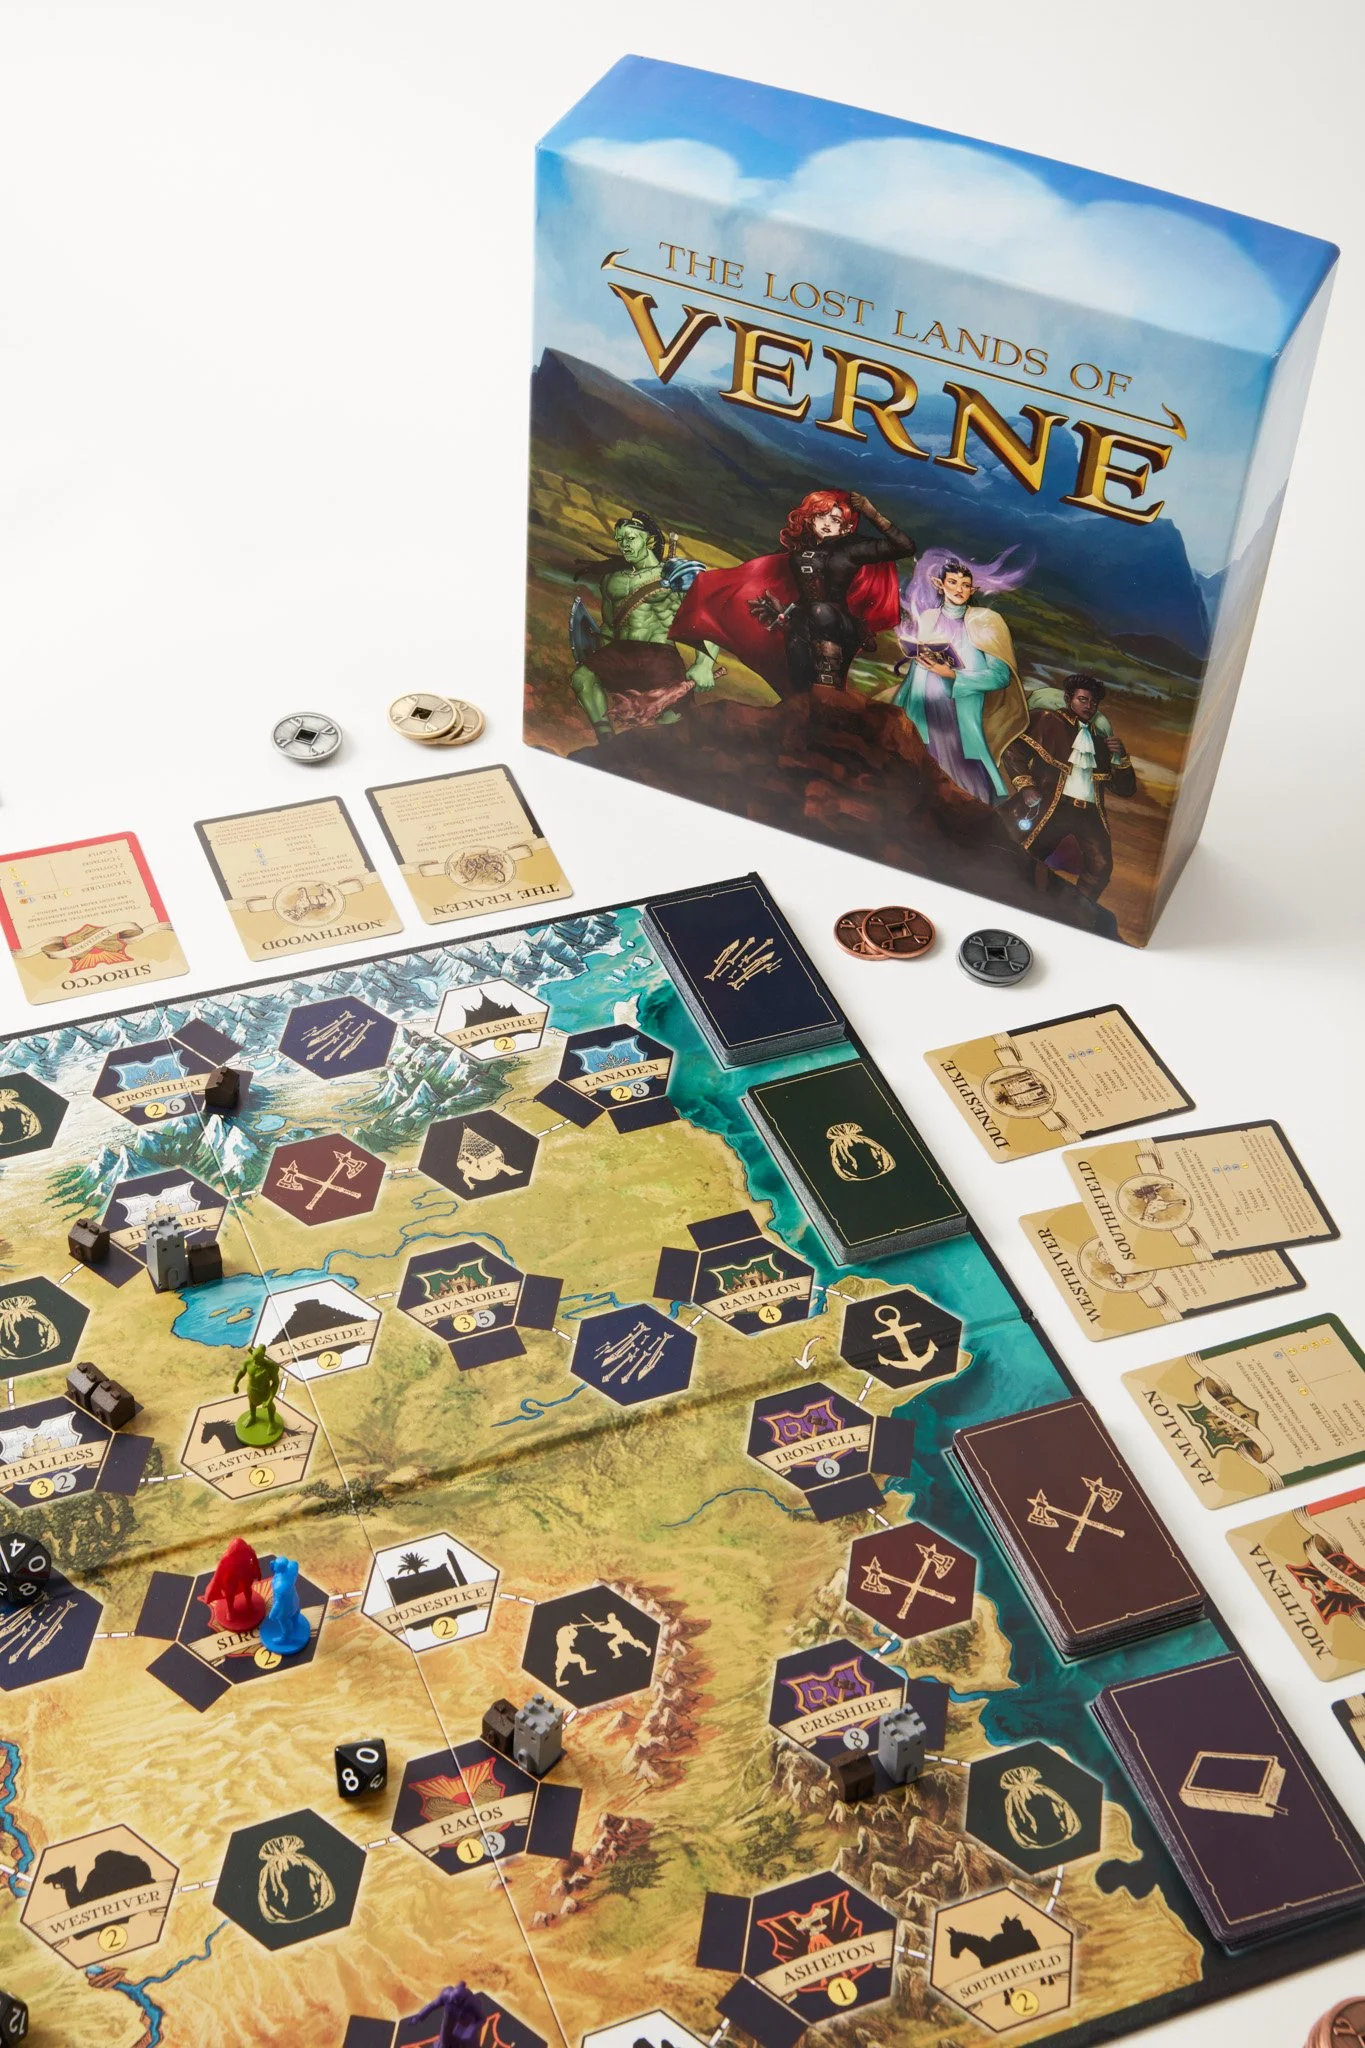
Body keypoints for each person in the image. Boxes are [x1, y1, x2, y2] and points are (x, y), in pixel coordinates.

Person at [669, 488, 914, 697]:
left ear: (845, 527)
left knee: (821, 621)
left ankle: (828, 687)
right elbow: (772, 576)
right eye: (821, 515)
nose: (827, 523)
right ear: (810, 517)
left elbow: (905, 546)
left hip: (837, 626)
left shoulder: (852, 548)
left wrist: (872, 513)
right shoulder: (800, 549)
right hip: (802, 622)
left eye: (835, 519)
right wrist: (781, 608)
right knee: (798, 687)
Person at [893, 548, 1030, 802]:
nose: (959, 589)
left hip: (959, 716)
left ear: (972, 590)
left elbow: (1000, 677)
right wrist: (899, 706)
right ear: (939, 584)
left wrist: (954, 676)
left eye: (965, 585)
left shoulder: (986, 621)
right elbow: (914, 673)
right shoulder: (928, 618)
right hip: (922, 711)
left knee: (968, 786)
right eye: (953, 582)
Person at [568, 511, 719, 741]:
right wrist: (599, 655)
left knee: (674, 714)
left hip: (660, 654)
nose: (624, 545)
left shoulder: (675, 575)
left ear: (649, 540)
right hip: (620, 651)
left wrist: (704, 664)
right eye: (620, 540)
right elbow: (609, 625)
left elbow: (705, 623)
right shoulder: (612, 580)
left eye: (630, 538)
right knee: (582, 679)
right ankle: (606, 740)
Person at [1001, 673, 1136, 902]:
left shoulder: (1100, 741)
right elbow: (1013, 751)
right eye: (1083, 699)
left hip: (1090, 813)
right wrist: (1026, 786)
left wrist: (1121, 758)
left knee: (1101, 866)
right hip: (1054, 805)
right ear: (1068, 698)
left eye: (1093, 702)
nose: (1089, 706)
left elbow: (1124, 789)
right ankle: (1012, 898)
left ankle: (1077, 910)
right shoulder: (1047, 721)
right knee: (1030, 852)